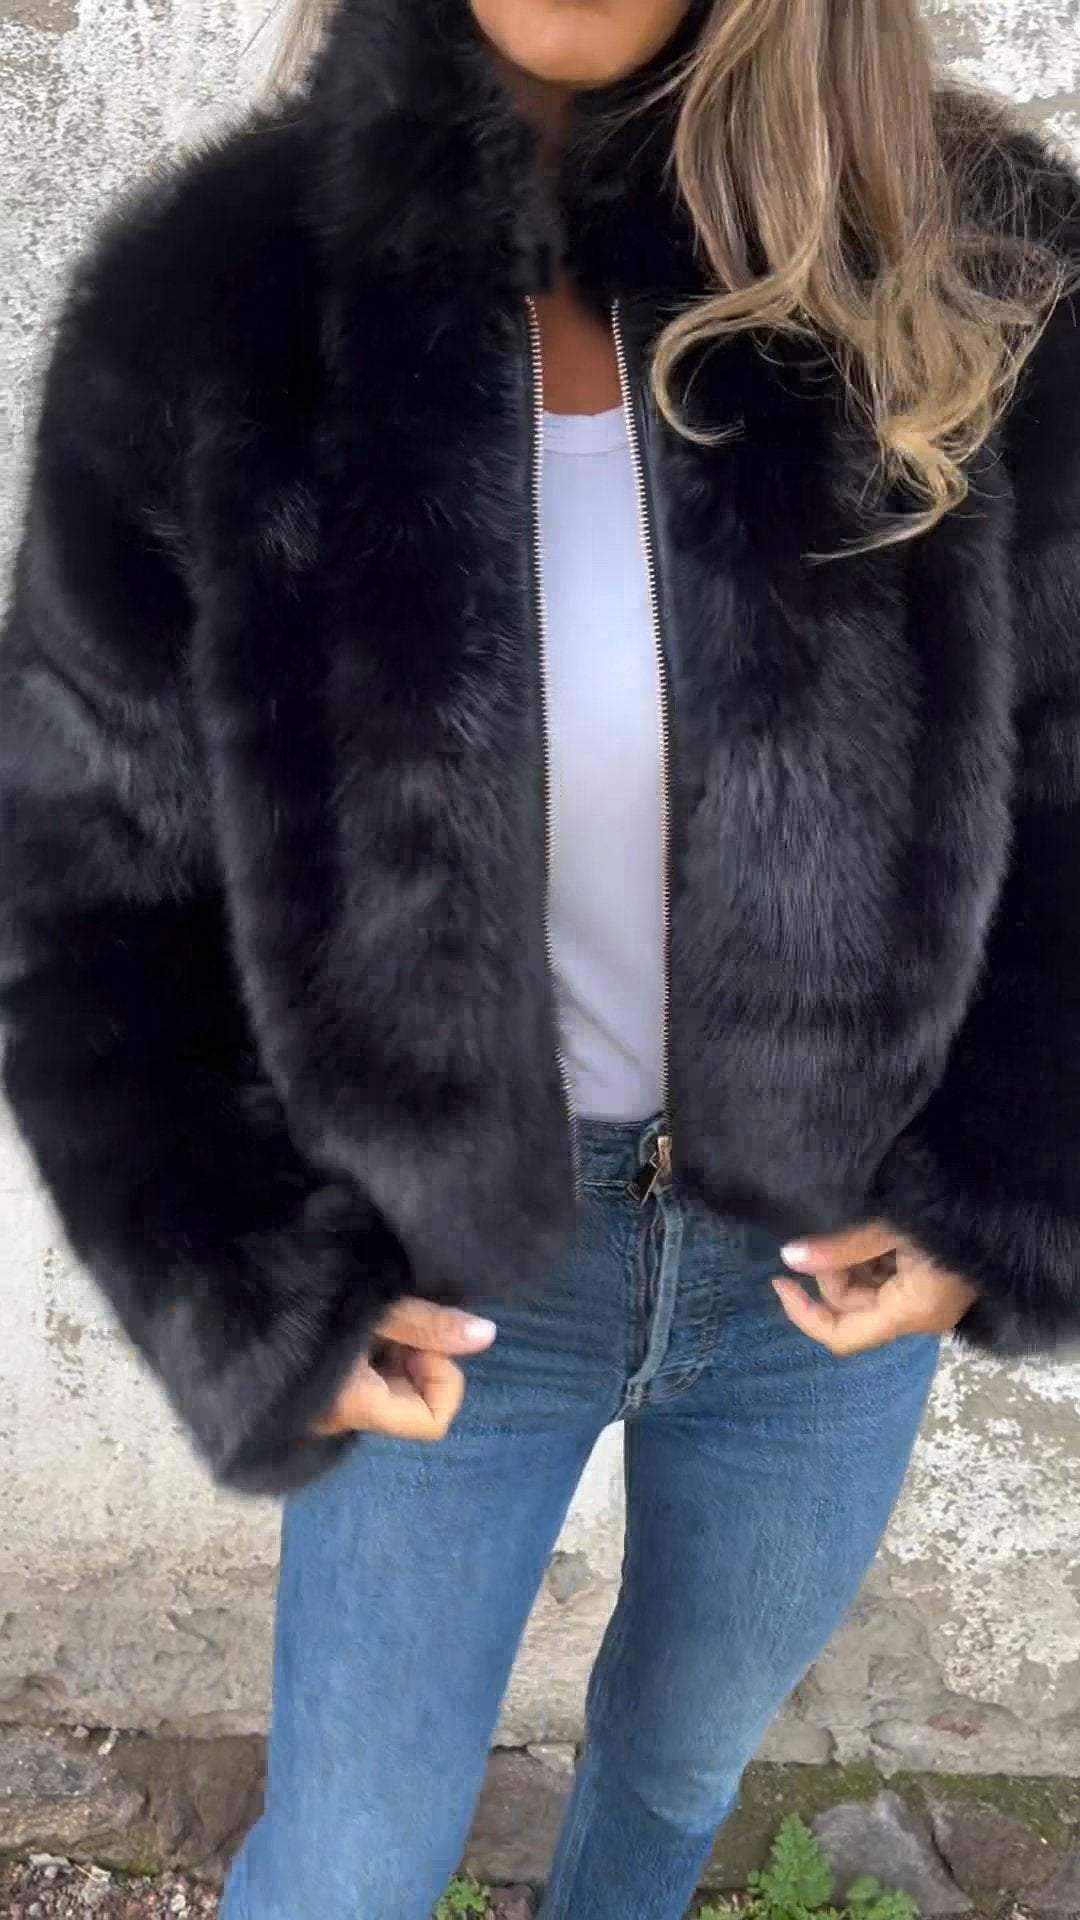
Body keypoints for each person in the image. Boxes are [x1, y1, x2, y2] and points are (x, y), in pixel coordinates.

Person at [3, 0, 1079, 1910]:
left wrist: (1012, 1173)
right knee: (349, 1864)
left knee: (674, 1776)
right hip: (446, 1273)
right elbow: (88, 872)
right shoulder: (226, 302)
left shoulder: (982, 265)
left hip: (821, 1284)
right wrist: (236, 1261)